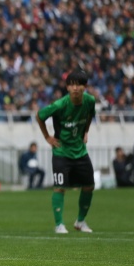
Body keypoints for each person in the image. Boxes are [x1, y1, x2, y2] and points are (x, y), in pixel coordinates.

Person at [36, 70, 96, 234]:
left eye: (79, 84)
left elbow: (90, 115)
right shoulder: (60, 105)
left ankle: (81, 221)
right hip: (61, 152)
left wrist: (86, 131)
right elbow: (40, 116)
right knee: (59, 187)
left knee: (89, 186)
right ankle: (59, 224)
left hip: (80, 152)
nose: (76, 88)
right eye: (72, 84)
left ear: (85, 87)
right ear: (68, 87)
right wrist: (48, 137)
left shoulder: (90, 101)